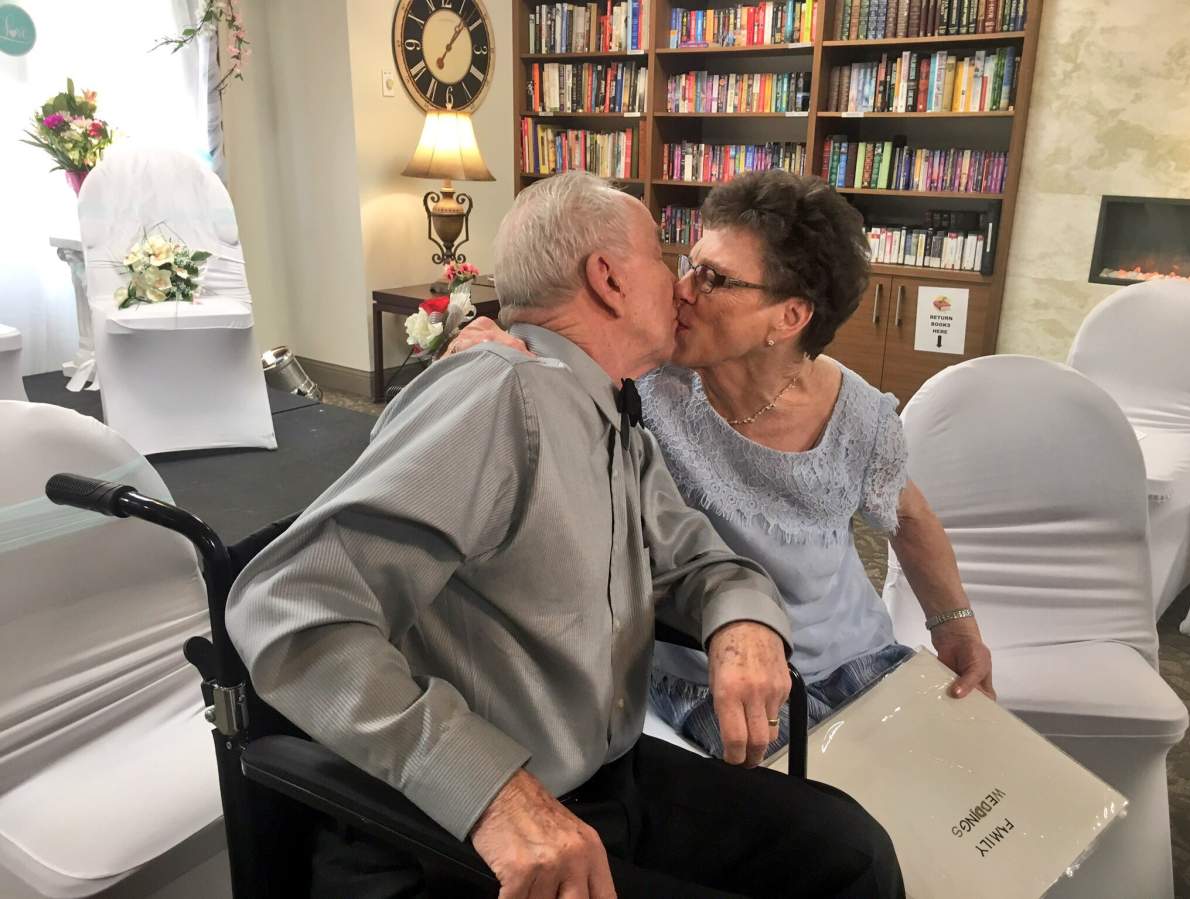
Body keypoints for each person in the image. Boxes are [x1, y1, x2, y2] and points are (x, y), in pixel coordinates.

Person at [225, 171, 903, 898]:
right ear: (608, 278)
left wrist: (742, 620)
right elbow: (286, 603)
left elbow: (696, 555)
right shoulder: (500, 395)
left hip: (608, 776)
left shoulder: (611, 413)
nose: (682, 288)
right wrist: (489, 790)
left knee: (852, 850)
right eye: (664, 259)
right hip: (469, 826)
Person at [448, 169, 994, 763]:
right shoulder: (643, 377)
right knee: (830, 827)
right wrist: (490, 345)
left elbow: (908, 518)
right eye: (687, 263)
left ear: (788, 319)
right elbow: (553, 357)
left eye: (714, 279)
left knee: (971, 782)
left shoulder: (857, 416)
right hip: (708, 666)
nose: (682, 289)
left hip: (857, 653)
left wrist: (956, 626)